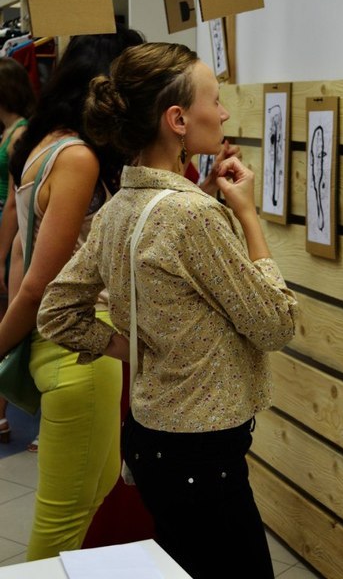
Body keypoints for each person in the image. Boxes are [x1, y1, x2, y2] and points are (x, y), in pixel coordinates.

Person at [37, 42, 300, 579]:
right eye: (214, 100)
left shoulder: (119, 207)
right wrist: (248, 217)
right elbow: (276, 324)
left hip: (153, 438)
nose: (223, 113)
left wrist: (132, 348)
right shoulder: (191, 216)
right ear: (178, 119)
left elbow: (57, 311)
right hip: (202, 455)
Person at [0, 26, 143, 560]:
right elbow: (40, 281)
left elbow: (21, 255)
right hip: (80, 351)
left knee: (87, 500)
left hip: (71, 350)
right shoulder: (78, 157)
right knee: (64, 522)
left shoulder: (45, 145)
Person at [0, 57, 36, 442]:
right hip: (6, 228)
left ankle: (5, 413)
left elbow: (14, 200)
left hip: (10, 231)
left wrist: (1, 255)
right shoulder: (11, 130)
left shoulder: (20, 132)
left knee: (10, 316)